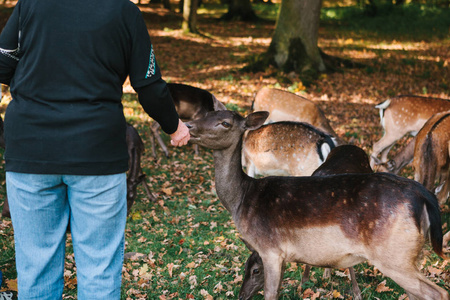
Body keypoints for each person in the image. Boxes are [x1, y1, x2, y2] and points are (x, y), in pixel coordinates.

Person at [0, 0, 190, 299]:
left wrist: (41, 83)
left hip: (32, 148)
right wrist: (174, 126)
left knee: (35, 265)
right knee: (99, 266)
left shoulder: (30, 5)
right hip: (96, 153)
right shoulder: (123, 11)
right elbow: (149, 85)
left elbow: (3, 64)